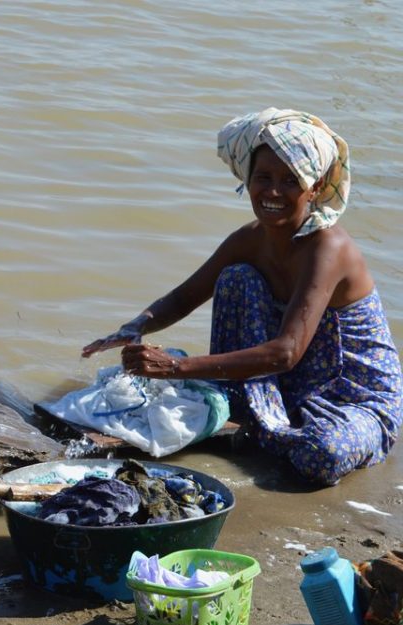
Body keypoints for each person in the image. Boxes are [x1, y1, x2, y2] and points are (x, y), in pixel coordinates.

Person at [83, 108, 403, 485]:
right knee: (236, 277)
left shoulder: (328, 247)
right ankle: (254, 409)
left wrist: (176, 367)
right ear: (247, 180)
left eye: (290, 181)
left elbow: (285, 352)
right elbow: (187, 294)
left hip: (351, 398)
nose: (272, 192)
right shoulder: (249, 240)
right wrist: (134, 327)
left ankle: (261, 417)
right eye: (263, 178)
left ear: (314, 189)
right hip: (289, 384)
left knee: (321, 455)